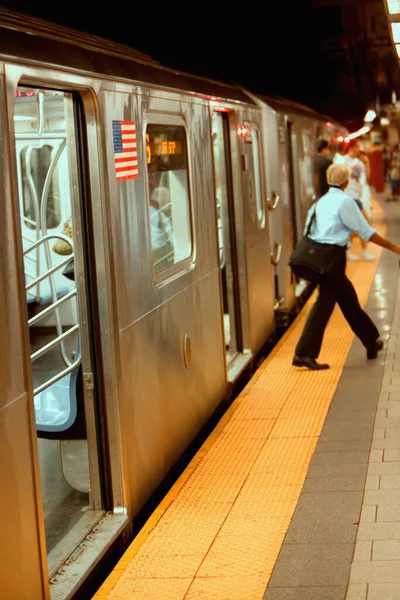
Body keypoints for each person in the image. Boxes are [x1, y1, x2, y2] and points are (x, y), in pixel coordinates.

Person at [292, 162, 400, 371]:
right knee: (324, 304)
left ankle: (372, 341)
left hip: (317, 259)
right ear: (346, 181)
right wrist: (392, 246)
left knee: (348, 299)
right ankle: (303, 353)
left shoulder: (320, 202)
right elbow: (365, 231)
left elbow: (309, 230)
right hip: (332, 260)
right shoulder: (345, 202)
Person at [341, 139, 375, 261]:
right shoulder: (343, 161)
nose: (358, 149)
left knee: (356, 225)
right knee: (364, 222)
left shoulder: (358, 162)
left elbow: (366, 179)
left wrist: (367, 164)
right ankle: (362, 250)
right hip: (348, 197)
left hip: (356, 196)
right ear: (351, 147)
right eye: (357, 147)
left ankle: (351, 250)